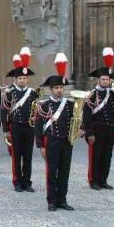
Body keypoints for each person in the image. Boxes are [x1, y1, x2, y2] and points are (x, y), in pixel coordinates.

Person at [34, 53, 80, 212]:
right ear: (51, 89)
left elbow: (76, 121)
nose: (59, 90)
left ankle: (62, 200)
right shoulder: (44, 105)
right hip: (51, 141)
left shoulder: (69, 105)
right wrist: (40, 144)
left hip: (66, 141)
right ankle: (52, 201)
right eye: (56, 88)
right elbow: (39, 125)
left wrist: (79, 130)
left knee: (65, 172)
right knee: (51, 171)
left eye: (61, 88)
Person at [1, 47, 38, 193]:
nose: (22, 80)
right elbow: (4, 111)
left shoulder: (33, 93)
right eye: (20, 78)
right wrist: (5, 130)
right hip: (15, 126)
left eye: (24, 78)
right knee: (16, 156)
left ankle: (27, 182)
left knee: (28, 156)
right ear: (15, 80)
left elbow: (36, 110)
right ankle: (17, 181)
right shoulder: (10, 93)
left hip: (29, 127)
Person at [82, 47, 114, 190]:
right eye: (103, 79)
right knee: (95, 156)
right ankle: (94, 181)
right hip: (96, 129)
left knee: (107, 156)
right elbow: (86, 114)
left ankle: (103, 180)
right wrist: (89, 132)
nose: (105, 81)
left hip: (109, 129)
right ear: (98, 80)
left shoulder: (113, 94)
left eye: (107, 79)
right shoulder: (92, 94)